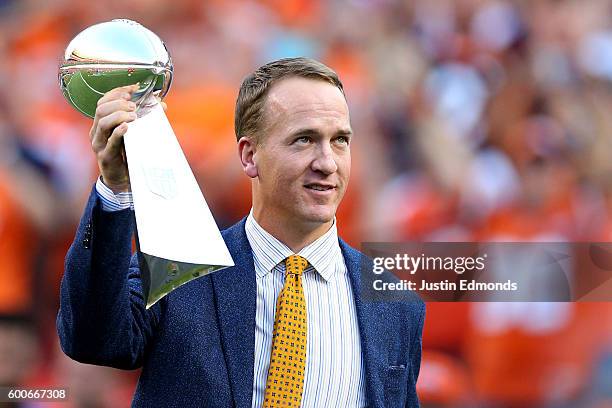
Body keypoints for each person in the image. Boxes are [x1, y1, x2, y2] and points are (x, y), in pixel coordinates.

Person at [57, 57, 425, 408]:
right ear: (249, 156)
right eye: (304, 139)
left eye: (339, 140)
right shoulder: (182, 265)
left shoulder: (396, 306)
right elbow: (92, 338)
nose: (327, 163)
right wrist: (115, 189)